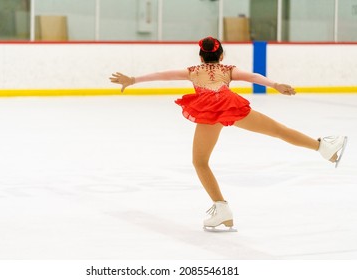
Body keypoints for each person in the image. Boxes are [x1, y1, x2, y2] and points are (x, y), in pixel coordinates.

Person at [109, 36, 347, 231]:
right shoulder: (227, 69)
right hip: (229, 103)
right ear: (221, 55)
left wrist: (133, 79)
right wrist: (275, 84)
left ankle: (221, 208)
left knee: (200, 162)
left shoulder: (193, 70)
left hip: (209, 110)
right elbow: (254, 77)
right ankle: (323, 147)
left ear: (201, 56)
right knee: (277, 130)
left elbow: (164, 75)